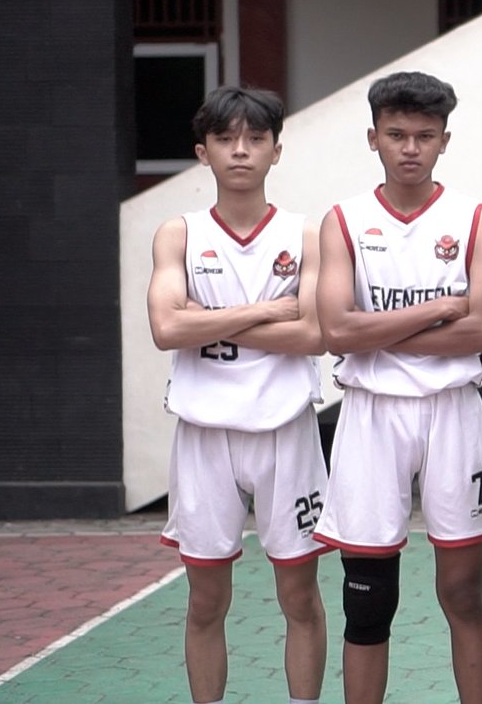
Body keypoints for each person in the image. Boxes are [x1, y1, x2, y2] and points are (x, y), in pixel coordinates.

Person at [313, 71, 482, 704]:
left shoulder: (475, 217)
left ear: (445, 139)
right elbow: (336, 331)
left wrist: (377, 331)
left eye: (424, 135)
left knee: (464, 592)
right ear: (374, 138)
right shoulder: (345, 220)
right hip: (372, 413)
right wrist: (437, 310)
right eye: (396, 135)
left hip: (453, 409)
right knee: (367, 599)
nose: (410, 148)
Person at [147, 86, 330, 704]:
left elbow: (312, 335)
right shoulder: (179, 234)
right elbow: (166, 328)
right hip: (206, 435)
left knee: (299, 595)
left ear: (277, 150)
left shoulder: (306, 235)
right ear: (204, 152)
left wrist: (209, 319)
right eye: (226, 139)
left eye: (255, 138)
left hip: (286, 430)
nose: (241, 150)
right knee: (206, 600)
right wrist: (267, 311)